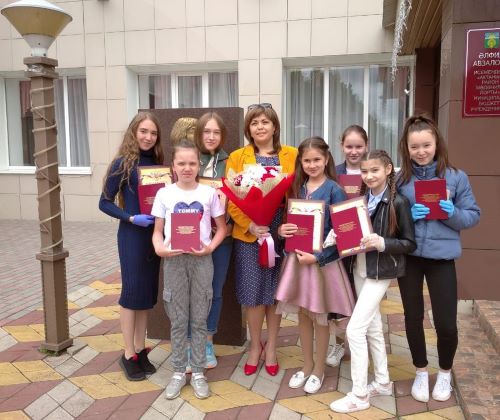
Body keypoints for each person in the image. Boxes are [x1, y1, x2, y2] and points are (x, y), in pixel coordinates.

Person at [396, 115, 480, 403]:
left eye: (426, 145)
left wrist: (451, 213)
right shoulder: (400, 180)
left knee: (446, 323)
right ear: (406, 148)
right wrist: (407, 216)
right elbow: (390, 220)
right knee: (412, 318)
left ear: (437, 144)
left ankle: (444, 373)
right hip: (410, 257)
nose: (421, 151)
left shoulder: (456, 177)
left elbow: (473, 215)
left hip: (442, 259)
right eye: (414, 146)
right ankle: (421, 371)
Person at [330, 149, 416, 414]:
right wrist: (337, 236)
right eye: (365, 171)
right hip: (360, 268)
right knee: (373, 327)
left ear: (388, 170)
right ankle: (382, 381)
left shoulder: (398, 202)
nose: (369, 176)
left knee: (355, 330)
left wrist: (382, 243)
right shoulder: (361, 200)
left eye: (375, 170)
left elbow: (409, 243)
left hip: (382, 272)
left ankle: (359, 395)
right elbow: (352, 232)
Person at [276, 137, 355, 394]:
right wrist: (282, 230)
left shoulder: (334, 190)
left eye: (317, 160)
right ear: (300, 162)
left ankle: (319, 369)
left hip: (322, 264)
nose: (312, 165)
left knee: (320, 316)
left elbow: (344, 233)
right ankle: (307, 364)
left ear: (327, 159)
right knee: (302, 314)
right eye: (307, 160)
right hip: (298, 262)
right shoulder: (297, 188)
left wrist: (319, 257)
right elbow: (290, 222)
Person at [226, 103, 298, 377]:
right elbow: (232, 199)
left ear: (275, 126)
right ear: (248, 129)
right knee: (253, 294)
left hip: (282, 230)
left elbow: (299, 190)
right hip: (250, 233)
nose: (260, 127)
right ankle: (255, 346)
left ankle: (272, 348)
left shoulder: (292, 154)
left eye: (265, 122)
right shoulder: (237, 157)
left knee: (275, 293)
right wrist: (251, 225)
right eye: (254, 123)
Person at [152, 139, 227, 400]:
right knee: (178, 317)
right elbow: (157, 231)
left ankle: (197, 372)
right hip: (174, 260)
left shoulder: (208, 194)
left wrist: (210, 248)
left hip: (201, 260)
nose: (187, 168)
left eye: (192, 163)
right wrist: (159, 248)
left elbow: (222, 228)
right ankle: (177, 371)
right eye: (181, 163)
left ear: (199, 166)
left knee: (199, 317)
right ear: (173, 166)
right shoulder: (164, 194)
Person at [99, 111, 164, 381]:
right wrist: (130, 218)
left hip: (154, 237)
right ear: (134, 132)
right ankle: (127, 354)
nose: (148, 137)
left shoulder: (158, 164)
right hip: (132, 236)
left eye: (153, 133)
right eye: (143, 131)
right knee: (131, 294)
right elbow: (104, 202)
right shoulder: (122, 163)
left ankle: (140, 349)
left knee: (146, 296)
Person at [193, 112, 233, 368]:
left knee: (214, 292)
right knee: (192, 293)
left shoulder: (230, 162)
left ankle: (207, 342)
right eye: (206, 131)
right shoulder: (189, 159)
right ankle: (191, 342)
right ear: (199, 133)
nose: (210, 136)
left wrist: (229, 225)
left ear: (222, 135)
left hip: (222, 239)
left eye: (216, 132)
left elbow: (239, 199)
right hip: (191, 239)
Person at [327, 124, 369, 367]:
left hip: (366, 241)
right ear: (341, 146)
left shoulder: (372, 169)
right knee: (340, 294)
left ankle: (362, 343)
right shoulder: (334, 172)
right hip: (339, 240)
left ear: (366, 146)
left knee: (363, 294)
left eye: (359, 146)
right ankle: (339, 344)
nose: (354, 151)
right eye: (349, 146)